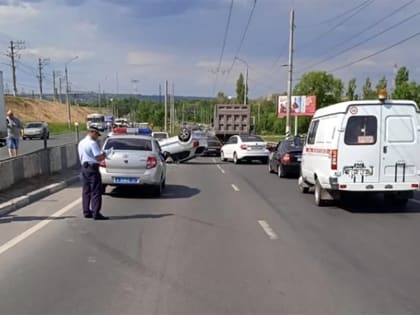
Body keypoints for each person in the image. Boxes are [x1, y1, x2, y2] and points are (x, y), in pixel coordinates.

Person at [77, 126, 109, 220]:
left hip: (84, 168)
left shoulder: (81, 143)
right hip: (93, 168)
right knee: (95, 191)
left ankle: (86, 211)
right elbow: (98, 157)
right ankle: (96, 213)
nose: (97, 137)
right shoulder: (92, 143)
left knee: (86, 191)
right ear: (92, 133)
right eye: (97, 135)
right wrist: (106, 154)